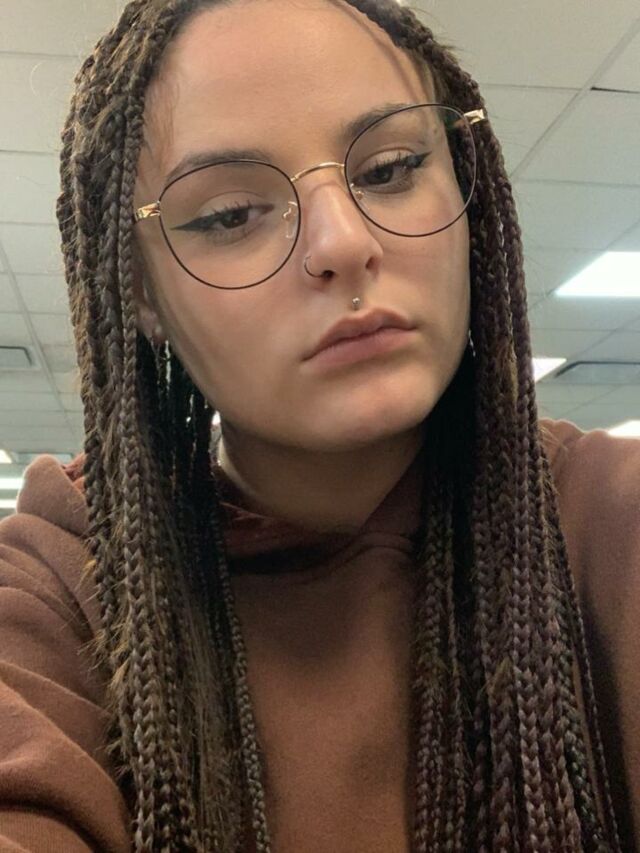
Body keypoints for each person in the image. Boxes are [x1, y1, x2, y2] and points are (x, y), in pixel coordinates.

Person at [0, 0, 638, 850]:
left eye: (390, 168)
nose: (342, 241)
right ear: (142, 292)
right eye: (232, 214)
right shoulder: (59, 582)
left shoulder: (610, 518)